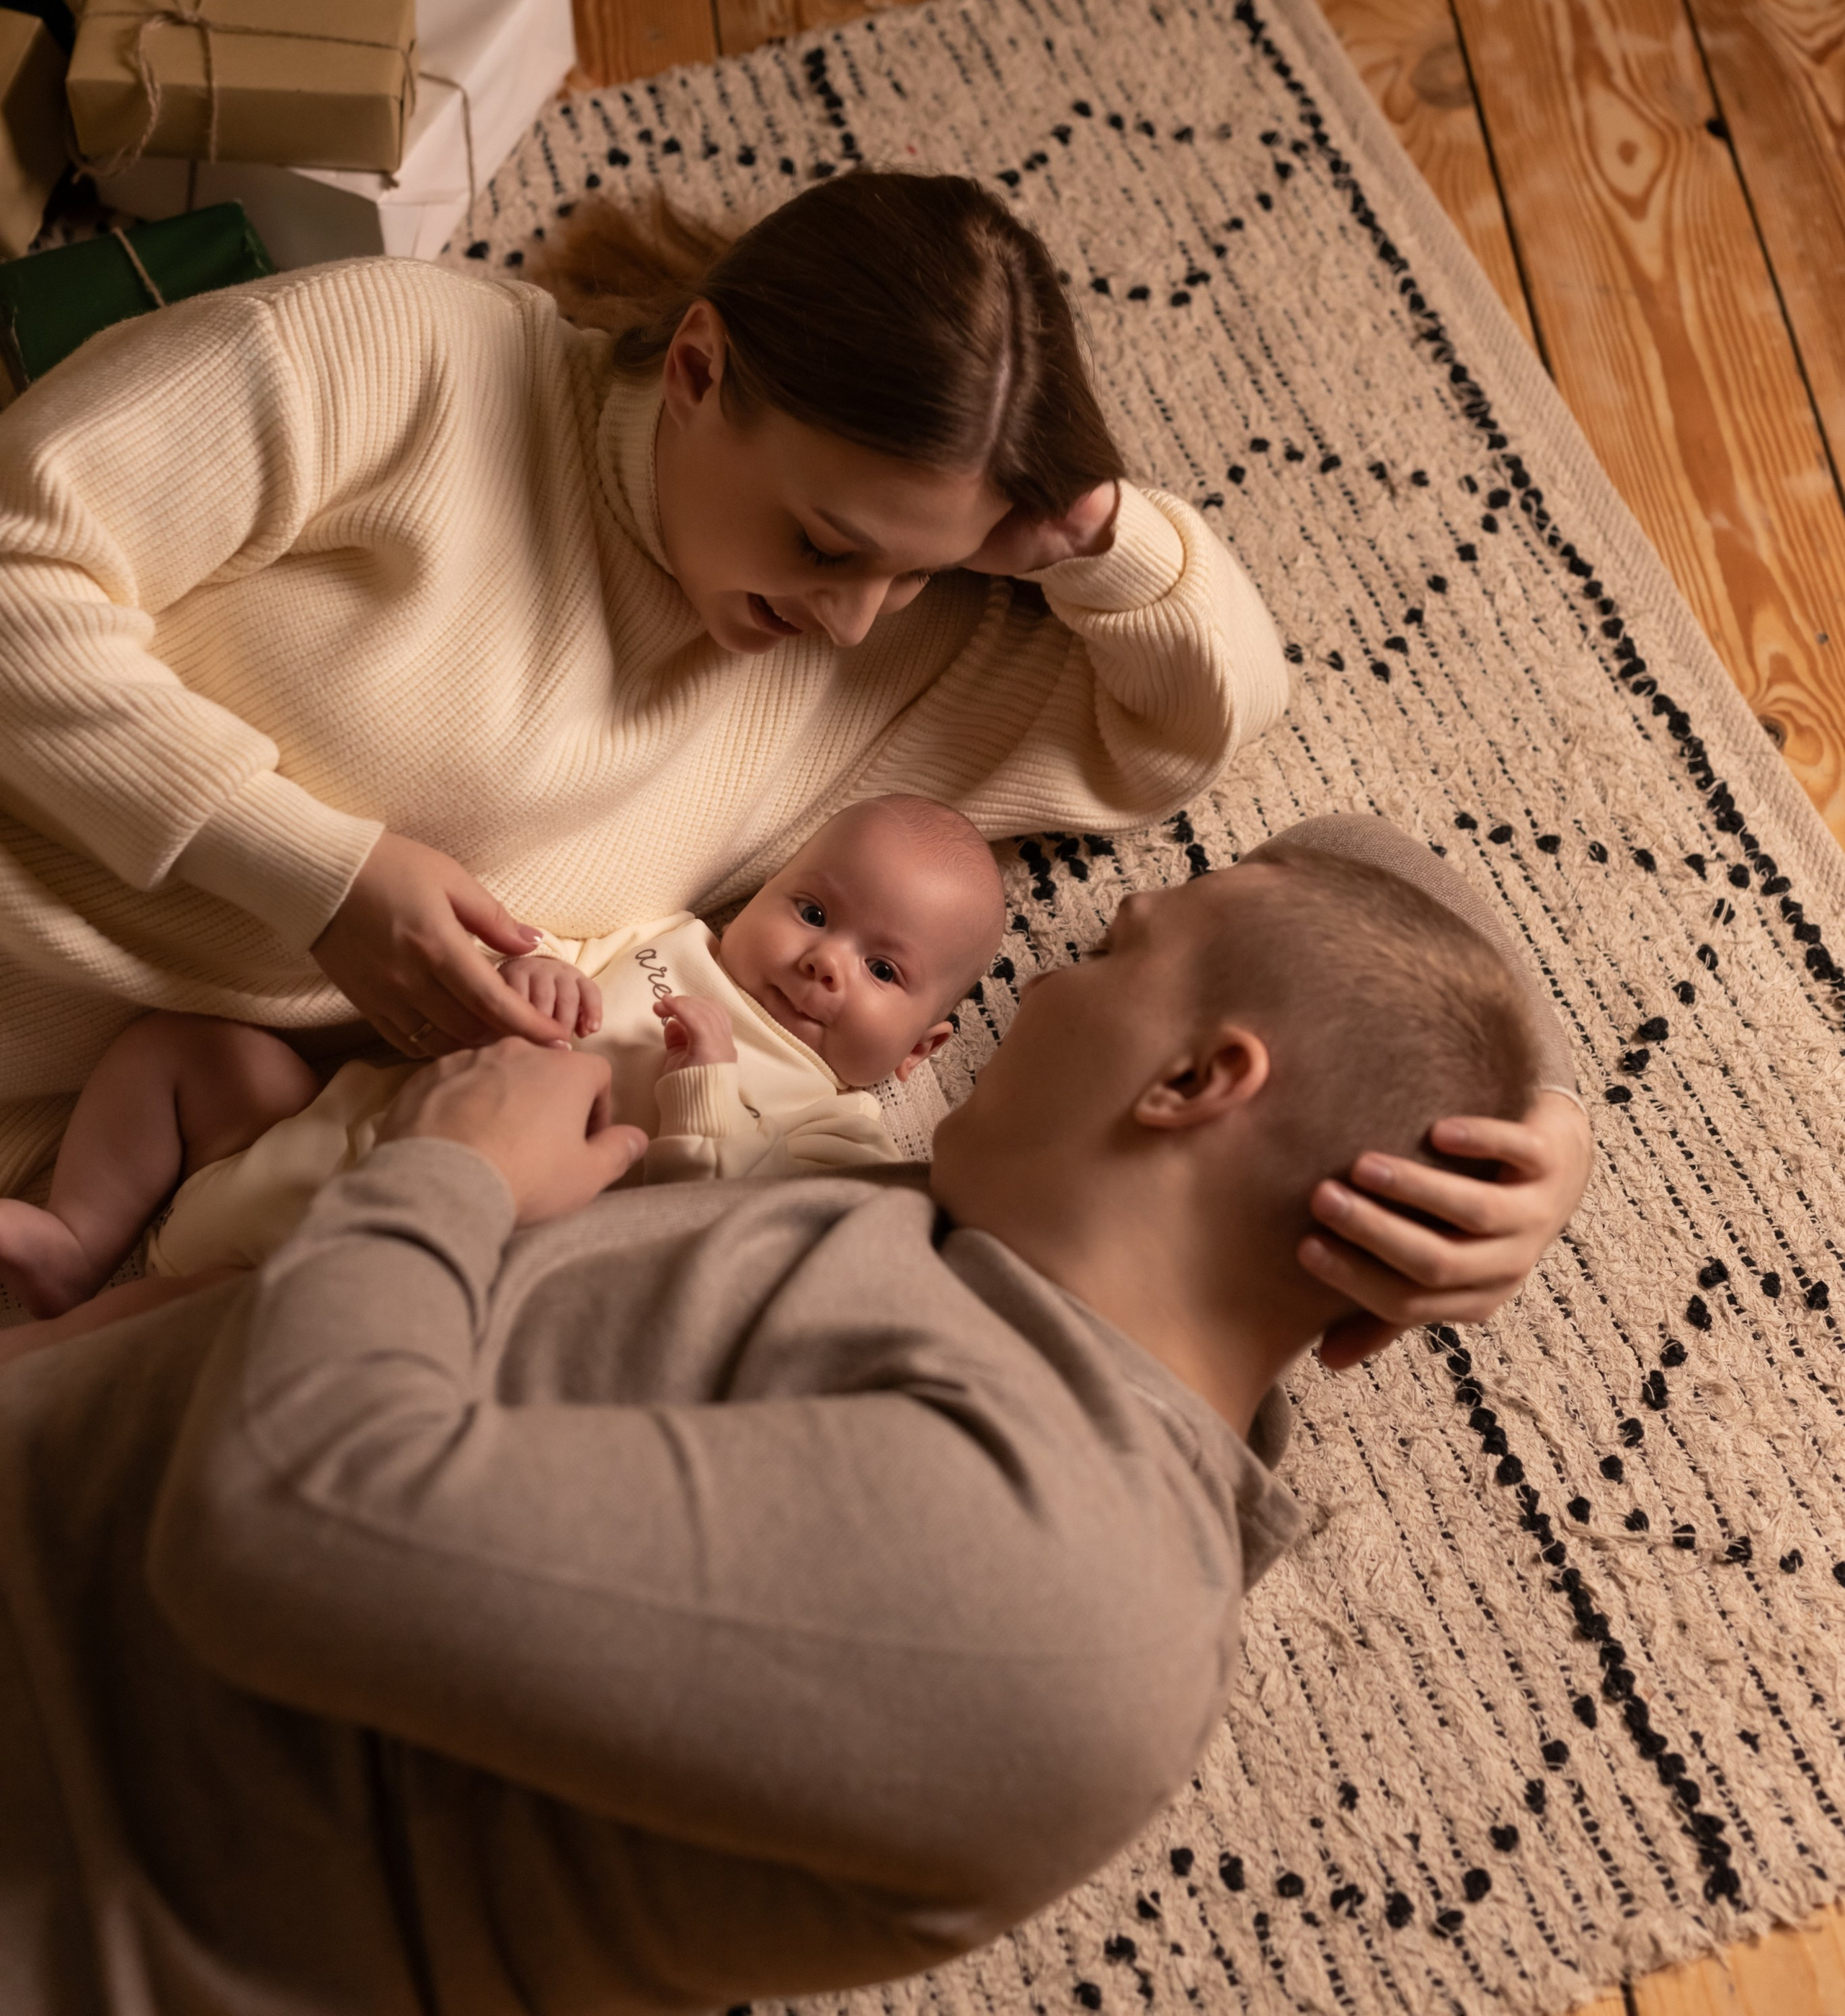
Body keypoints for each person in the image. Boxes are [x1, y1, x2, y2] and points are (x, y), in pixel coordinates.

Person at [0, 819, 1562, 2013]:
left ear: (1194, 1082)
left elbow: (276, 1524)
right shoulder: (981, 1270)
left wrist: (452, 1168)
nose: (1047, 985)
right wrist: (1532, 1135)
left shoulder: (1050, 1586)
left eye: (1107, 949)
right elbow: (1361, 889)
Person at [0, 166, 1588, 1326]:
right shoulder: (407, 359)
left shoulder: (877, 665)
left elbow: (1196, 730)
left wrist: (1092, 530)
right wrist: (315, 876)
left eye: (920, 566)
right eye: (827, 541)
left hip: (116, 1184)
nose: (851, 617)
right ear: (694, 371)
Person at [0, 795, 1006, 1313]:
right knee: (183, 1052)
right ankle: (80, 1238)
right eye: (815, 911)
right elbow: (531, 964)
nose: (825, 962)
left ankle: (65, 1343)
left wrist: (700, 1095)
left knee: (186, 1323)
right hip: (311, 1132)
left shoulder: (840, 1131)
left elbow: (708, 1239)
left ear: (921, 1050)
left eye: (882, 968)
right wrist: (536, 985)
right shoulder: (671, 941)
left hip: (357, 1254)